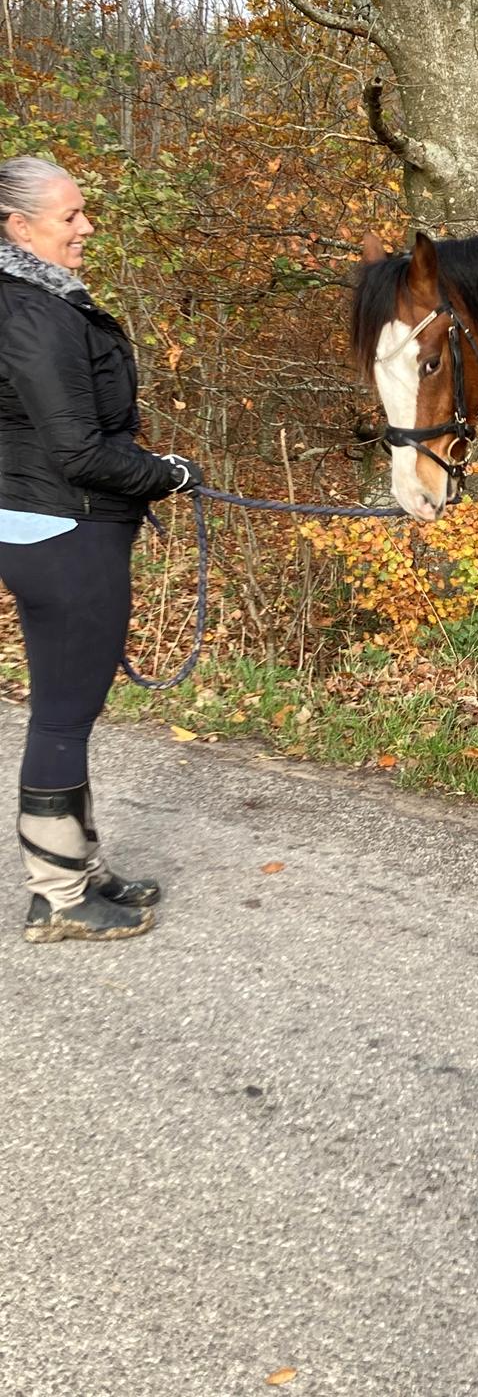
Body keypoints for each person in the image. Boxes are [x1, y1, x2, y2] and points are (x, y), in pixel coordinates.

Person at [0, 155, 204, 943]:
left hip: (48, 523)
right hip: (65, 528)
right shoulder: (30, 313)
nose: (86, 225)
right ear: (20, 227)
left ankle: (76, 867)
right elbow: (80, 452)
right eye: (70, 216)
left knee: (66, 714)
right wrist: (170, 473)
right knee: (62, 717)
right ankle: (56, 895)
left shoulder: (37, 303)